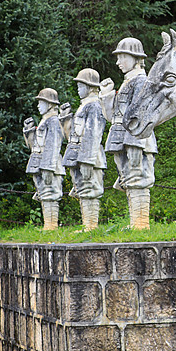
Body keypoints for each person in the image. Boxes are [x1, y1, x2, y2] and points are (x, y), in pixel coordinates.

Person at [99, 38, 157, 229]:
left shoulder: (141, 81)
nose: (118, 62)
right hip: (121, 138)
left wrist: (135, 143)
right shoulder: (128, 82)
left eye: (122, 57)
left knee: (137, 179)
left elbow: (139, 115)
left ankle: (141, 224)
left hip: (134, 140)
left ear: (135, 58)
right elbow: (113, 115)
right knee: (129, 180)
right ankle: (136, 224)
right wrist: (107, 95)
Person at [59, 68, 107, 231]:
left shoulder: (94, 105)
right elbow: (72, 134)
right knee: (82, 190)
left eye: (81, 85)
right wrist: (65, 118)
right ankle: (87, 225)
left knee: (90, 190)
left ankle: (91, 226)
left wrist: (87, 160)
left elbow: (93, 134)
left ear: (90, 86)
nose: (78, 89)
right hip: (78, 154)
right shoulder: (84, 106)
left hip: (89, 156)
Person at [22, 88, 65, 231]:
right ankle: (48, 225)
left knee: (50, 194)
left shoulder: (53, 121)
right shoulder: (44, 121)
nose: (38, 105)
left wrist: (48, 167)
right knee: (44, 194)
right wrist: (29, 131)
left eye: (42, 102)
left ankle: (51, 225)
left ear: (51, 104)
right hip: (39, 162)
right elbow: (36, 144)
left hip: (49, 164)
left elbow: (53, 145)